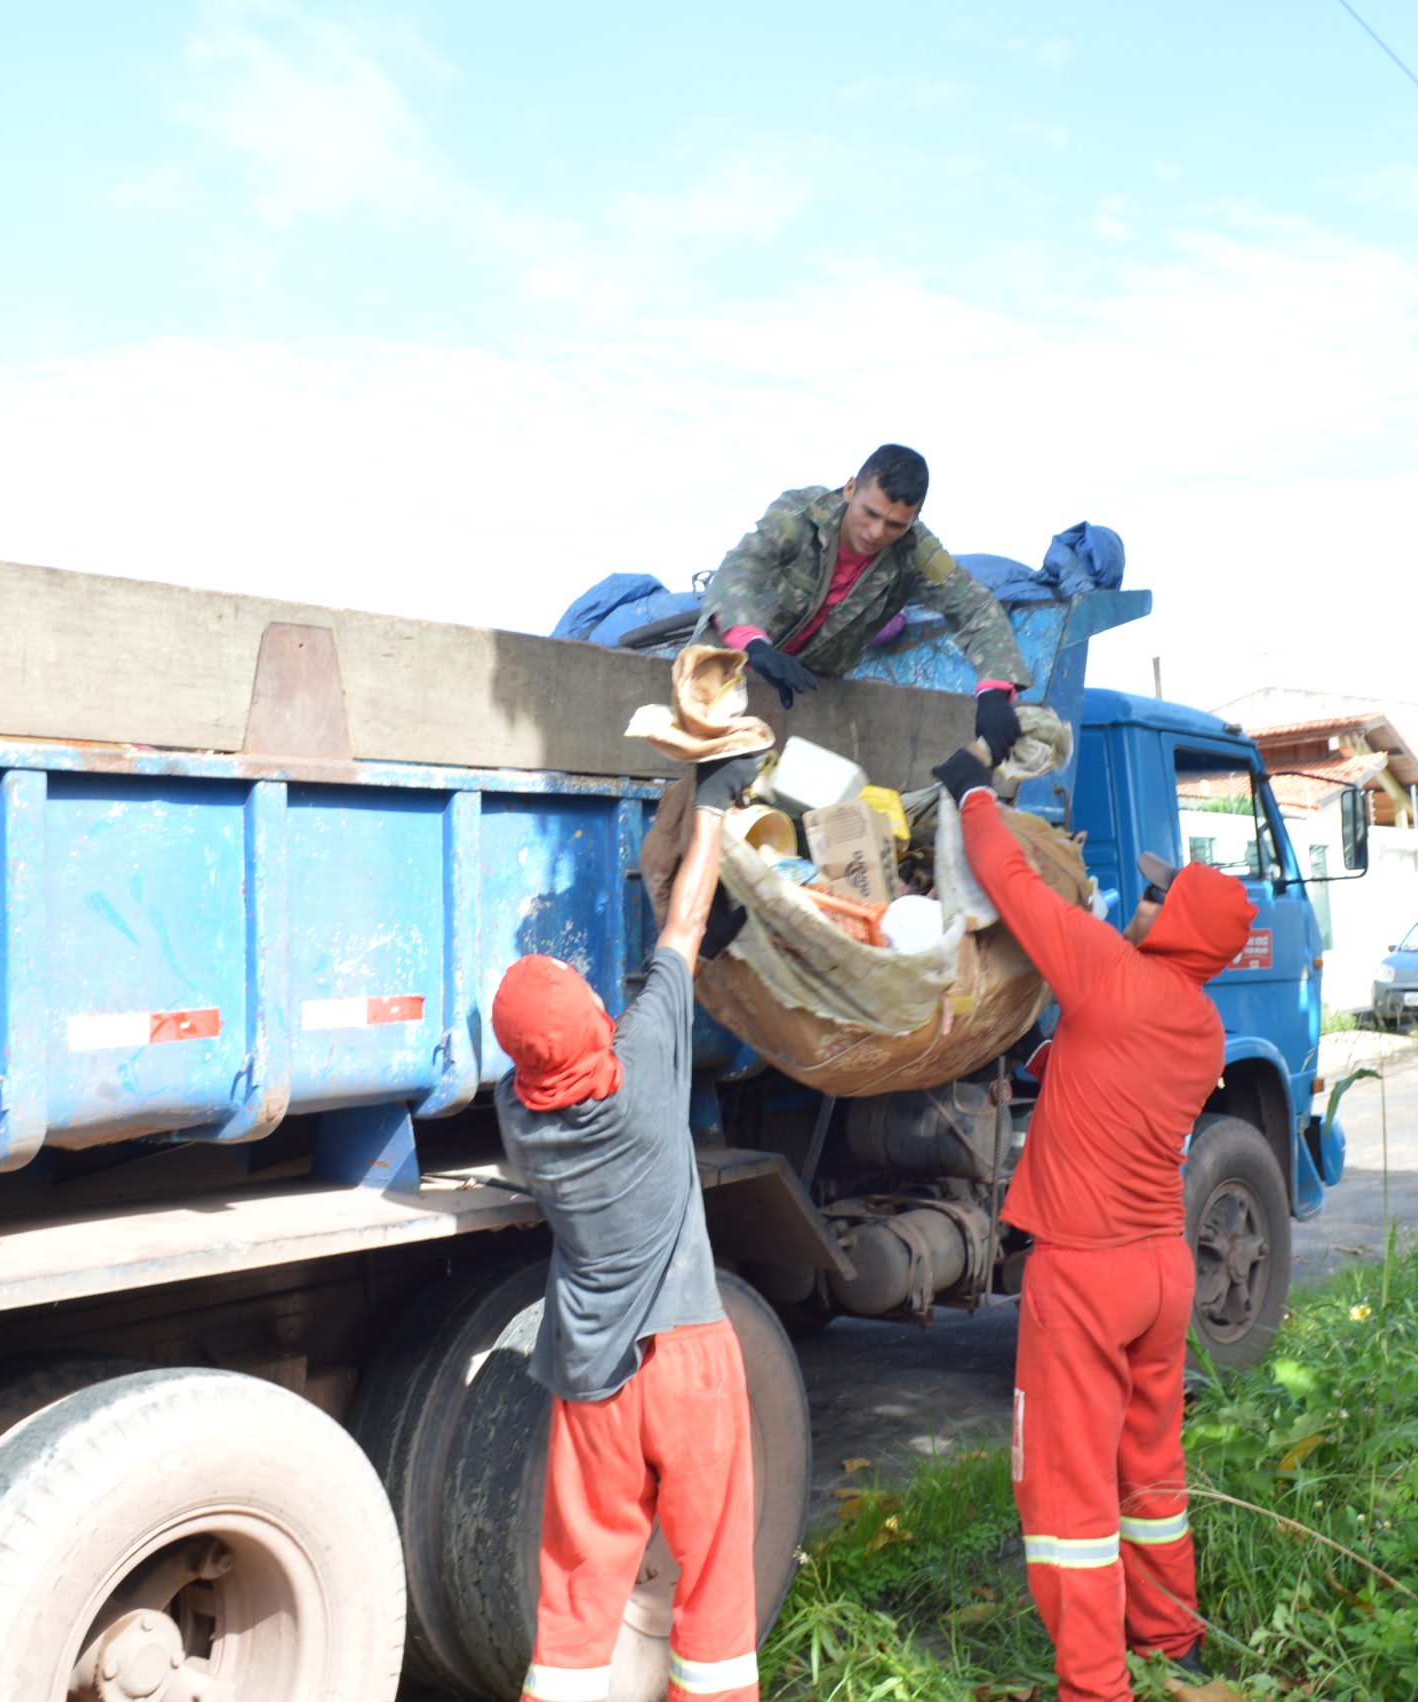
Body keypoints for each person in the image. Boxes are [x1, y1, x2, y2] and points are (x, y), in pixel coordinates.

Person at [930, 745, 1258, 1702]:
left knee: (1067, 1499)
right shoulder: (1198, 1025)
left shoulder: (1111, 977)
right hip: (1161, 1272)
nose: (1142, 901)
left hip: (1084, 1277)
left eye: (1159, 896)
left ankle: (1094, 1686)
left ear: (1177, 924)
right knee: (1149, 1469)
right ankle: (1171, 1641)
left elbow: (1008, 880)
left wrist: (974, 789)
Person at [490, 752, 763, 1702]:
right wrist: (718, 802)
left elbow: (548, 1051)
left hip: (592, 1376)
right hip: (687, 1361)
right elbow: (683, 923)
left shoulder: (521, 1115)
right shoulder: (647, 1069)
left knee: (576, 1591)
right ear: (598, 1022)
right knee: (716, 1578)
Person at [701, 444, 1031, 761]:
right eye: (869, 513)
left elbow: (974, 607)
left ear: (914, 519)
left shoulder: (915, 550)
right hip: (727, 668)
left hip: (808, 691)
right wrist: (755, 645)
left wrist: (995, 689)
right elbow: (742, 568)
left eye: (895, 524)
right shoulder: (799, 514)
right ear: (850, 489)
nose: (875, 532)